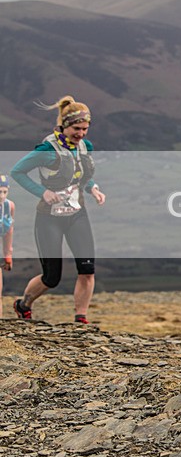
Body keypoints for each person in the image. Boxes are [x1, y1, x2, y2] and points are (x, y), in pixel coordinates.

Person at [11, 95, 106, 324]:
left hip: (77, 214)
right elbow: (17, 172)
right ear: (64, 125)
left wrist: (93, 189)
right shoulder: (47, 149)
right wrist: (41, 192)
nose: (81, 134)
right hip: (49, 218)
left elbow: (82, 175)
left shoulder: (85, 146)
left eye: (85, 129)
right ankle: (23, 305)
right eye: (76, 128)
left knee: (87, 269)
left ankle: (80, 319)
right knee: (52, 277)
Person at [0, 174, 14, 317]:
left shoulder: (8, 206)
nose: (2, 196)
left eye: (5, 192)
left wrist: (8, 254)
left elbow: (9, 229)